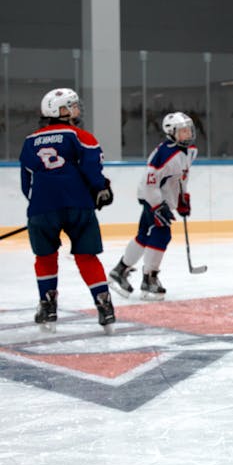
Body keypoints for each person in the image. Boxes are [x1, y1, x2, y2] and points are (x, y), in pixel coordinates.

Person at [19, 88, 116, 333]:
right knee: (87, 256)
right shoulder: (81, 135)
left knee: (45, 257)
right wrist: (100, 190)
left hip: (42, 208)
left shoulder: (29, 141)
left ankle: (48, 306)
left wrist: (41, 205)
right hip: (78, 206)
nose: (77, 109)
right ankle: (104, 305)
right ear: (59, 111)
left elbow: (26, 183)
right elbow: (93, 170)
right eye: (71, 106)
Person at [108, 112, 197, 301]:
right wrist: (157, 206)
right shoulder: (164, 154)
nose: (187, 134)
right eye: (182, 131)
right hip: (152, 200)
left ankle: (120, 271)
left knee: (144, 236)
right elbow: (149, 185)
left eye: (188, 130)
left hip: (162, 201)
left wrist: (183, 198)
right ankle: (149, 278)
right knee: (162, 234)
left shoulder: (189, 151)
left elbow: (182, 178)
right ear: (171, 133)